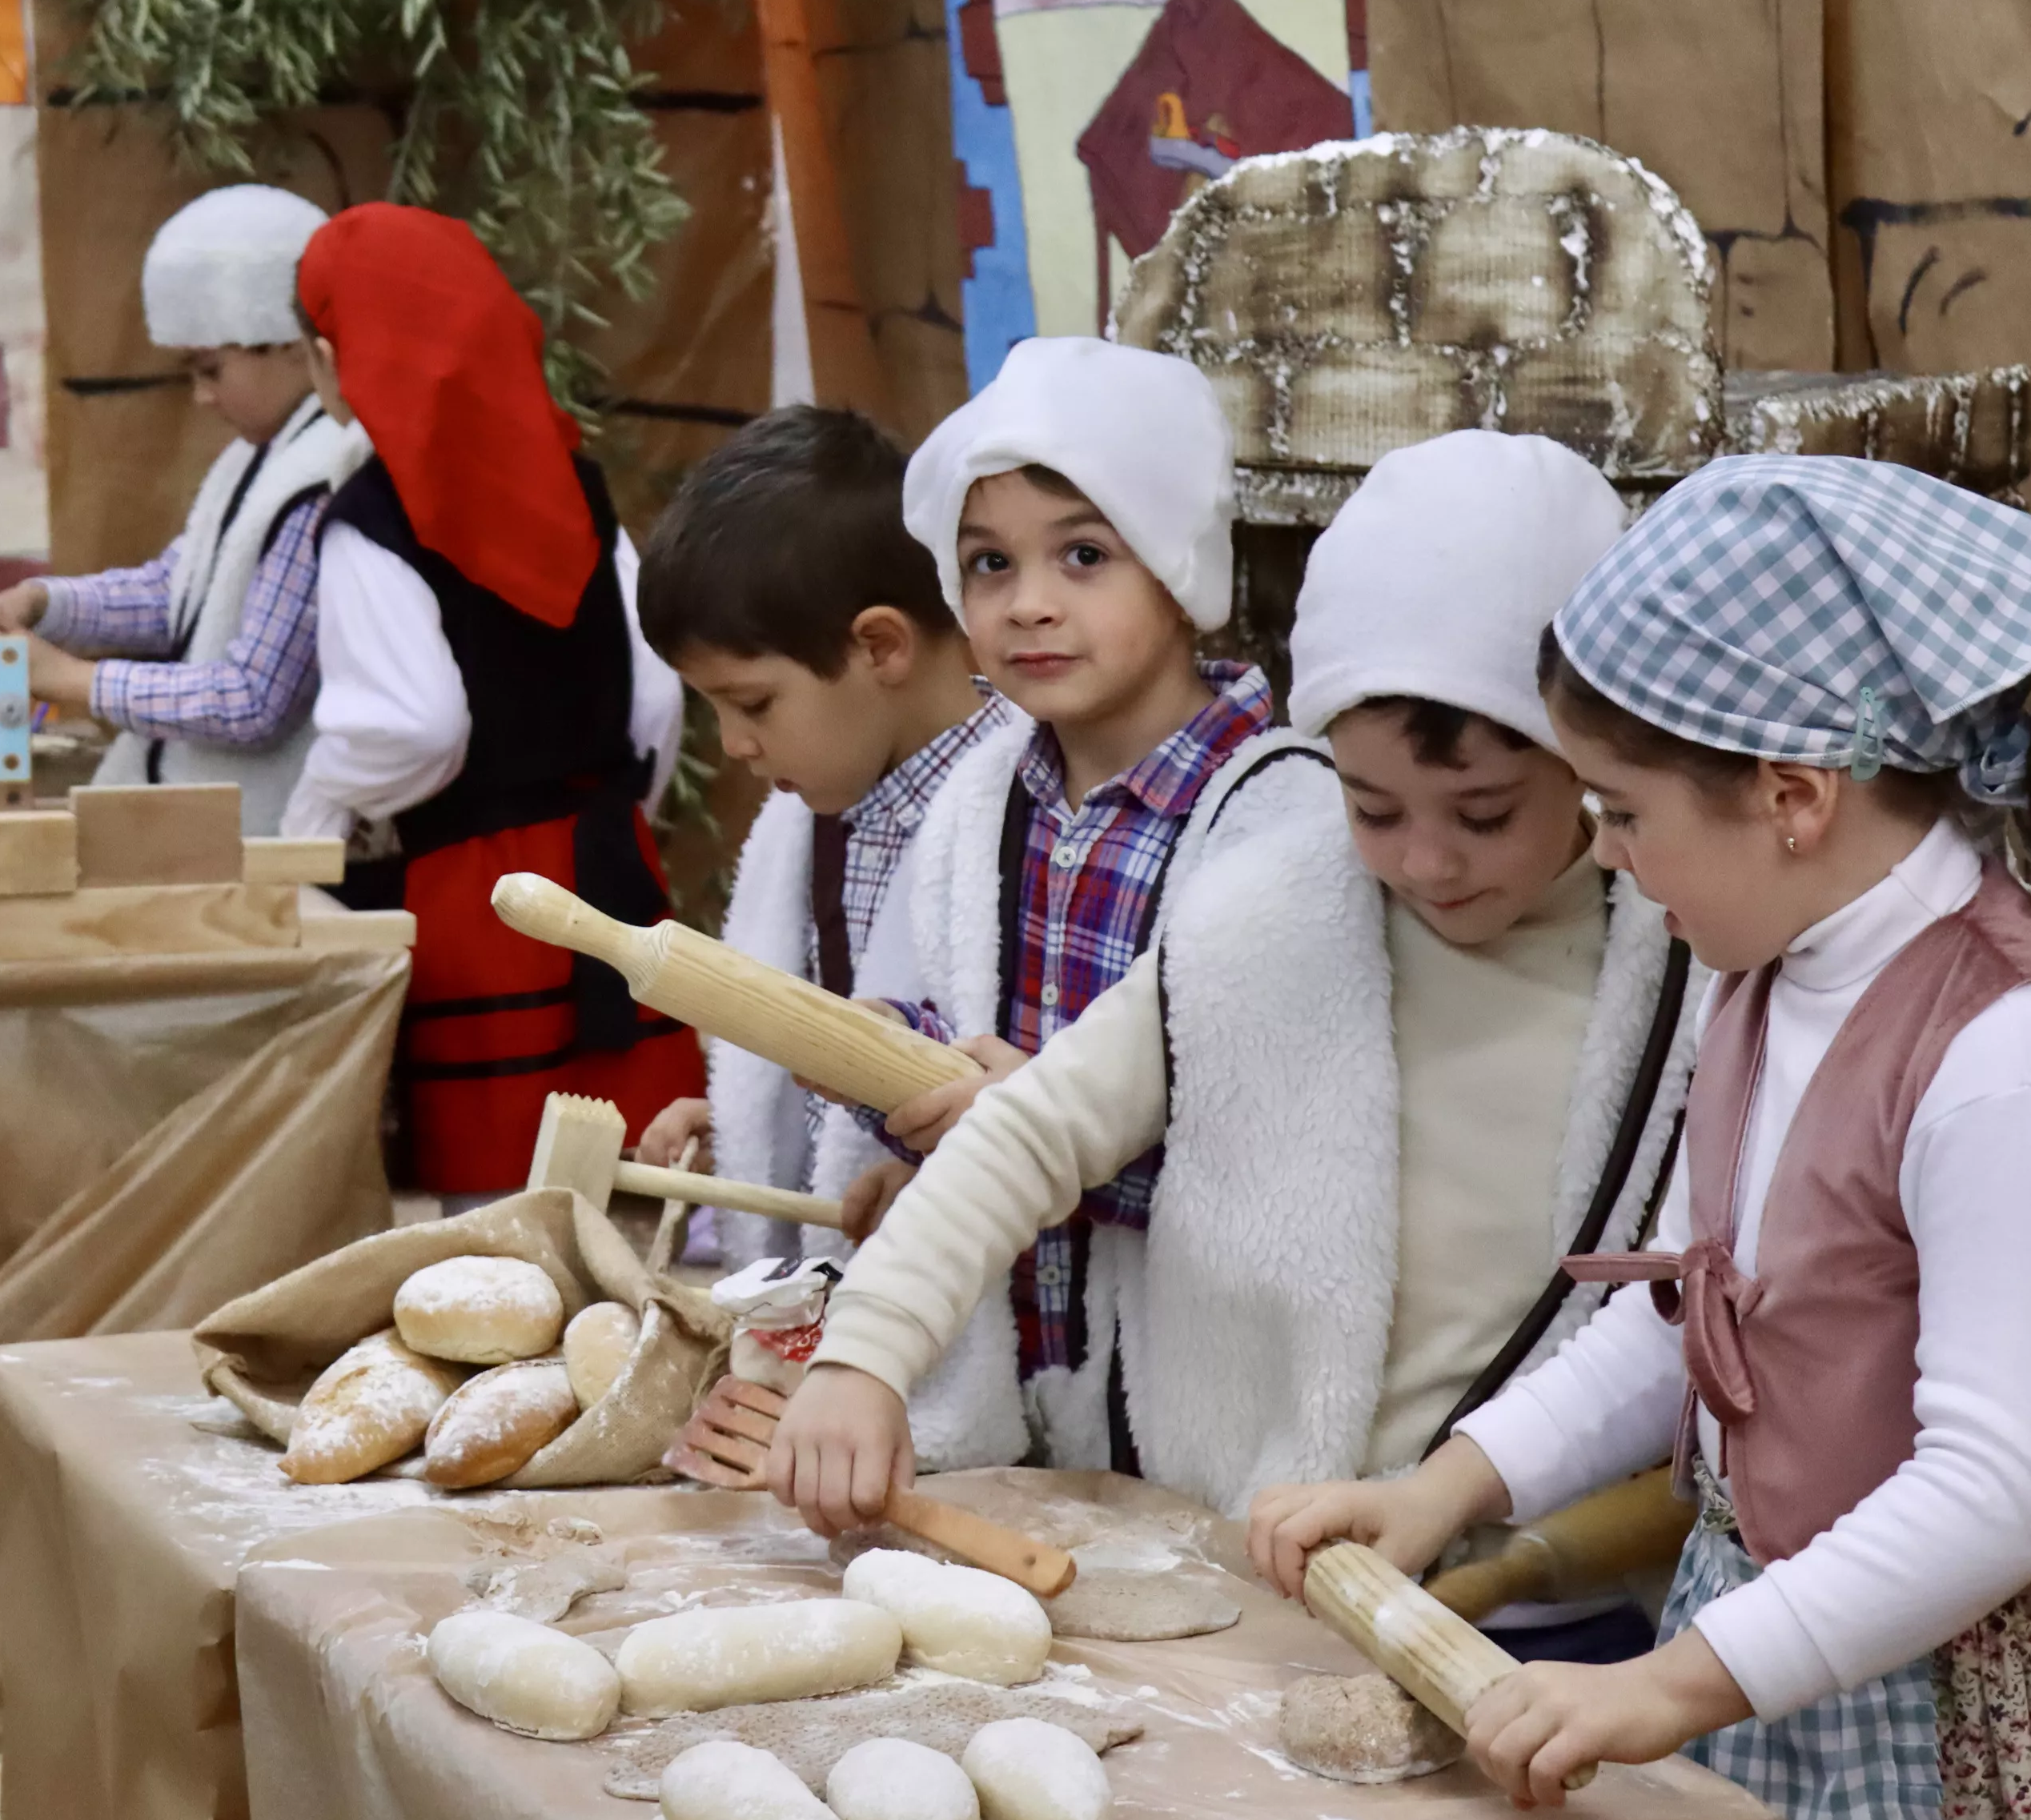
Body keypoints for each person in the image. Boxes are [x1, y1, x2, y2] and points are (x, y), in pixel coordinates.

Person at [1250, 456, 2031, 1820]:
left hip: (1992, 1732)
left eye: (1621, 811)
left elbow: (1999, 1494)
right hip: (1799, 1668)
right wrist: (1452, 1483)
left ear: (1792, 796)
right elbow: (1698, 1310)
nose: (1604, 853)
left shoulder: (2016, 1059)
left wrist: (1672, 1683)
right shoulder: (1769, 972)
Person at [793, 433, 1704, 1663]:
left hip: (1552, 1600)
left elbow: (1676, 1319)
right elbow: (1030, 1132)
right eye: (1373, 808)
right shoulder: (1265, 917)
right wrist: (866, 1356)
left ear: (1597, 760)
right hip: (1253, 1573)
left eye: (1484, 815)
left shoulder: (1682, 969)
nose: (1427, 863)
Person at [761, 334, 1341, 1502]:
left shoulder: (1281, 816)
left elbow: (1290, 1152)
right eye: (986, 565)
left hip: (1190, 1418)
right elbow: (966, 1005)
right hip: (1024, 1379)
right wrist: (899, 1077)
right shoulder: (983, 795)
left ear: (1180, 569)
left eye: (1084, 555)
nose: (1028, 604)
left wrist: (1029, 1126)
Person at [286, 202, 696, 1196]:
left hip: (483, 898)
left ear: (345, 357)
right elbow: (658, 700)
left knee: (496, 1217)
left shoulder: (373, 522)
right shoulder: (580, 490)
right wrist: (610, 816)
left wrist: (315, 812)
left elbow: (411, 724)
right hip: (615, 879)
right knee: (645, 1189)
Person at [625, 405, 1009, 1265]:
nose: (733, 745)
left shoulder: (1027, 816)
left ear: (880, 646)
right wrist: (744, 1131)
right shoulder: (806, 817)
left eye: (753, 703)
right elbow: (815, 1060)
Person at [0, 185, 362, 836]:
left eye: (211, 369)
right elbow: (177, 590)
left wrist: (72, 678)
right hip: (199, 828)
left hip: (263, 845)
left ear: (288, 344)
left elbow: (251, 701)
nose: (201, 397)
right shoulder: (260, 457)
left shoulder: (325, 476)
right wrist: (43, 605)